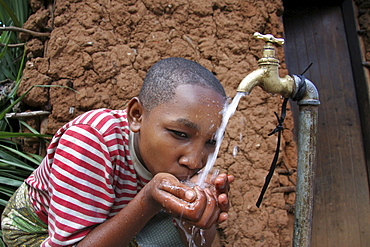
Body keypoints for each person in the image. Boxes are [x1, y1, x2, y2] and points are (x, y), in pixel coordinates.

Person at [1, 57, 234, 247]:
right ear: (136, 115)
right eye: (179, 134)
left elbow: (199, 243)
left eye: (211, 142)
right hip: (37, 233)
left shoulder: (188, 158)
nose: (194, 161)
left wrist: (201, 212)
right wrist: (148, 200)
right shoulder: (90, 142)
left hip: (108, 221)